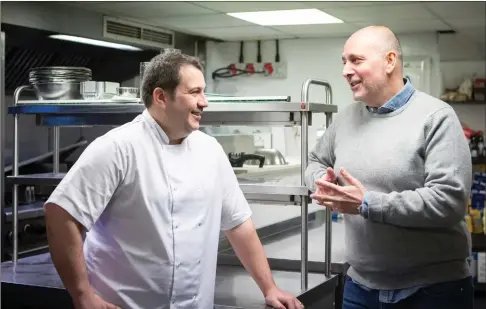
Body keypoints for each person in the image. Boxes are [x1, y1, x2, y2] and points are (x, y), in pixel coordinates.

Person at [44, 49, 304, 309]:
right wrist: (82, 294)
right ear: (161, 97)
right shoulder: (118, 147)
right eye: (194, 92)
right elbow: (61, 213)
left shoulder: (210, 150)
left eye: (204, 92)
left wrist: (269, 287)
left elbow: (238, 225)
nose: (204, 102)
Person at [305, 26, 474, 309]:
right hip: (360, 287)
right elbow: (315, 162)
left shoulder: (436, 117)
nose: (346, 70)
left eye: (356, 60)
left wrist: (368, 204)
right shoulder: (345, 119)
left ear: (390, 61)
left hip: (433, 289)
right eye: (343, 61)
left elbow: (449, 201)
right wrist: (324, 182)